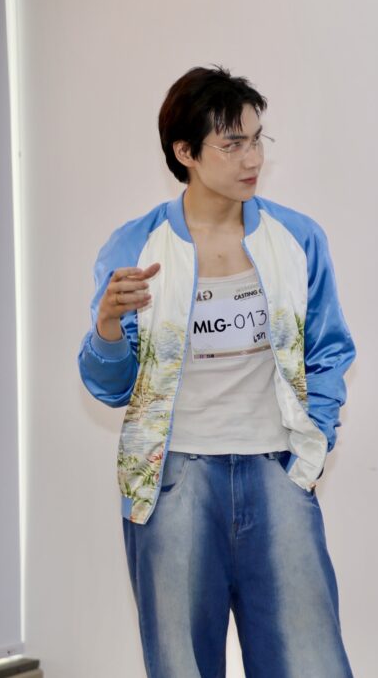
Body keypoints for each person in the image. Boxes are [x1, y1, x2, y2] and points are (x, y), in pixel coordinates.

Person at [78, 66, 357, 678]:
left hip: (276, 469)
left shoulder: (296, 238)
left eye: (257, 140)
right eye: (232, 144)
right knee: (181, 665)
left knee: (308, 662)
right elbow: (111, 388)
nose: (251, 159)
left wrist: (311, 449)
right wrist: (106, 327)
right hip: (173, 480)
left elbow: (329, 351)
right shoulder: (136, 248)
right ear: (186, 153)